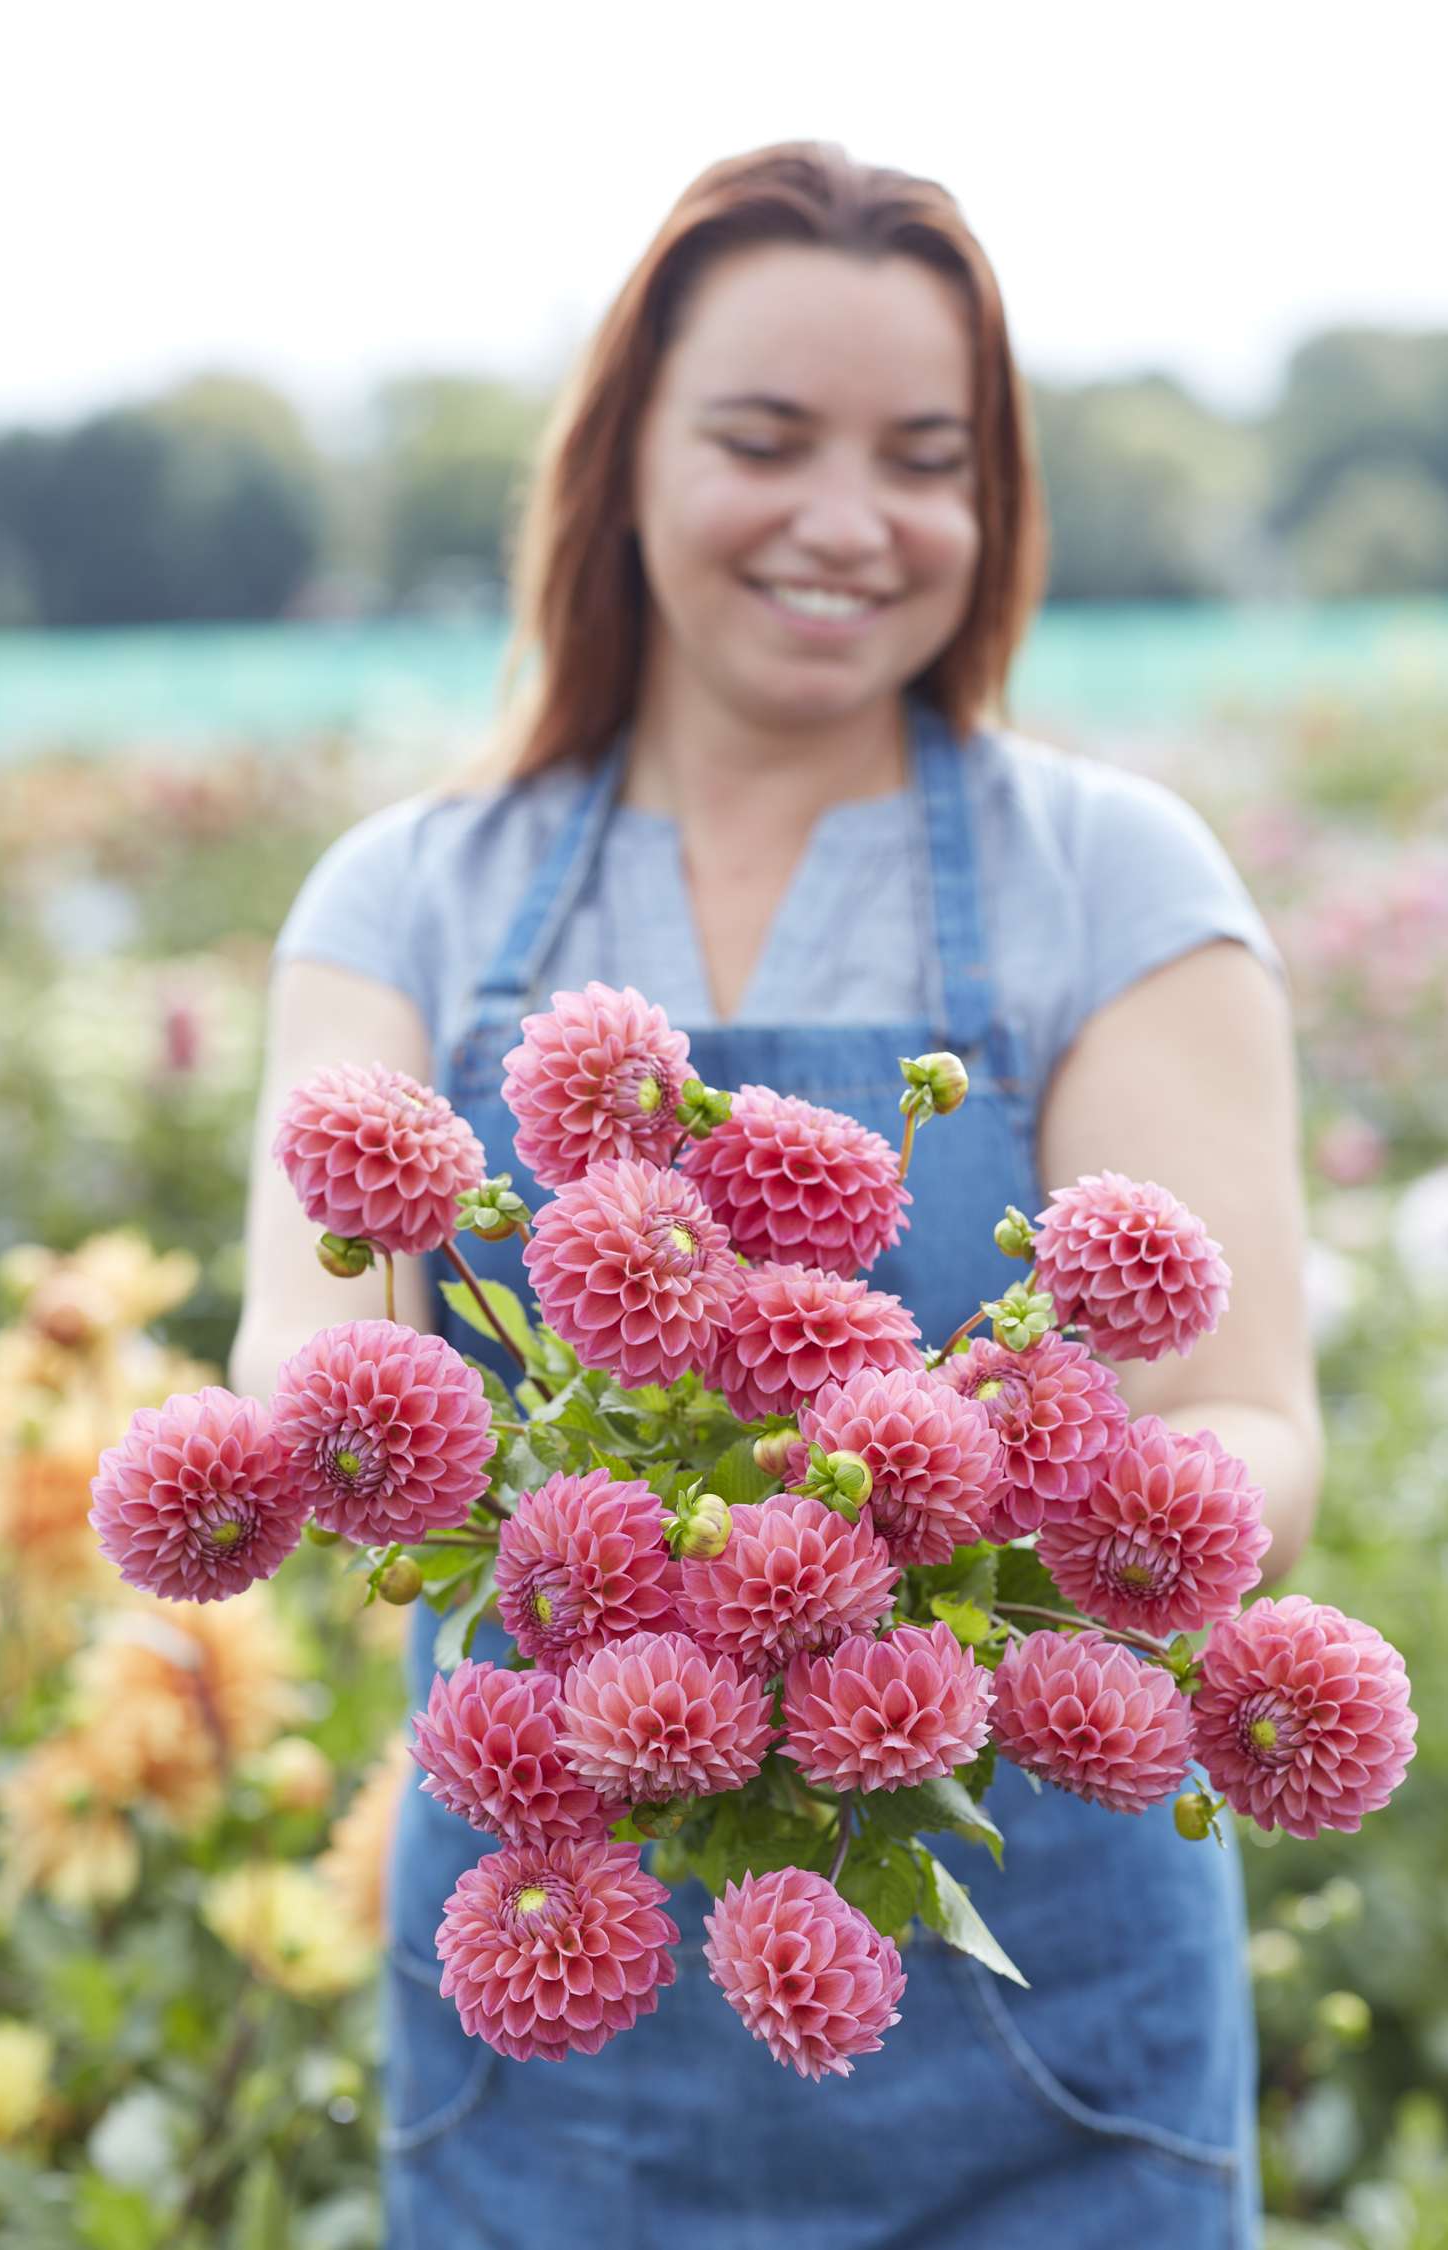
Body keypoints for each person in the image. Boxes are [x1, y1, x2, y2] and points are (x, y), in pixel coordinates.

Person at [232, 140, 1323, 2249]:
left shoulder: (1105, 879)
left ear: (990, 505)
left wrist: (951, 1521)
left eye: (926, 457)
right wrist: (437, 1458)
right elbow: (306, 1343)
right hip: (548, 2056)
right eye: (764, 438)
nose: (849, 521)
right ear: (622, 455)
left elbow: (1251, 1423)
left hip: (1047, 2050)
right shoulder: (413, 898)